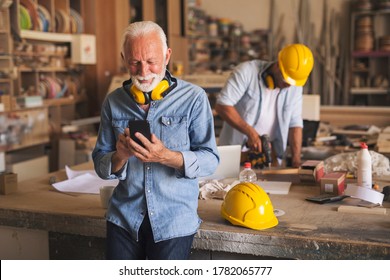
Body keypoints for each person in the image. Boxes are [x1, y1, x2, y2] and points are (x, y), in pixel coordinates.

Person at [92, 21, 219, 260]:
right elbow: (100, 163)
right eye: (134, 62)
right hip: (124, 219)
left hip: (174, 221)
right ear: (123, 58)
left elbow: (211, 160)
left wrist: (166, 156)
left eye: (151, 61)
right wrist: (120, 156)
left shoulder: (194, 98)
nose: (143, 71)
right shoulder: (113, 101)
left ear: (167, 55)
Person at [215, 43, 314, 168]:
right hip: (237, 155)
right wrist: (250, 133)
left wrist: (296, 160)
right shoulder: (247, 72)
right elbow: (222, 105)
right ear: (278, 64)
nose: (289, 85)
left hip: (270, 156)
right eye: (287, 79)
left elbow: (295, 124)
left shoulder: (294, 87)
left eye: (293, 82)